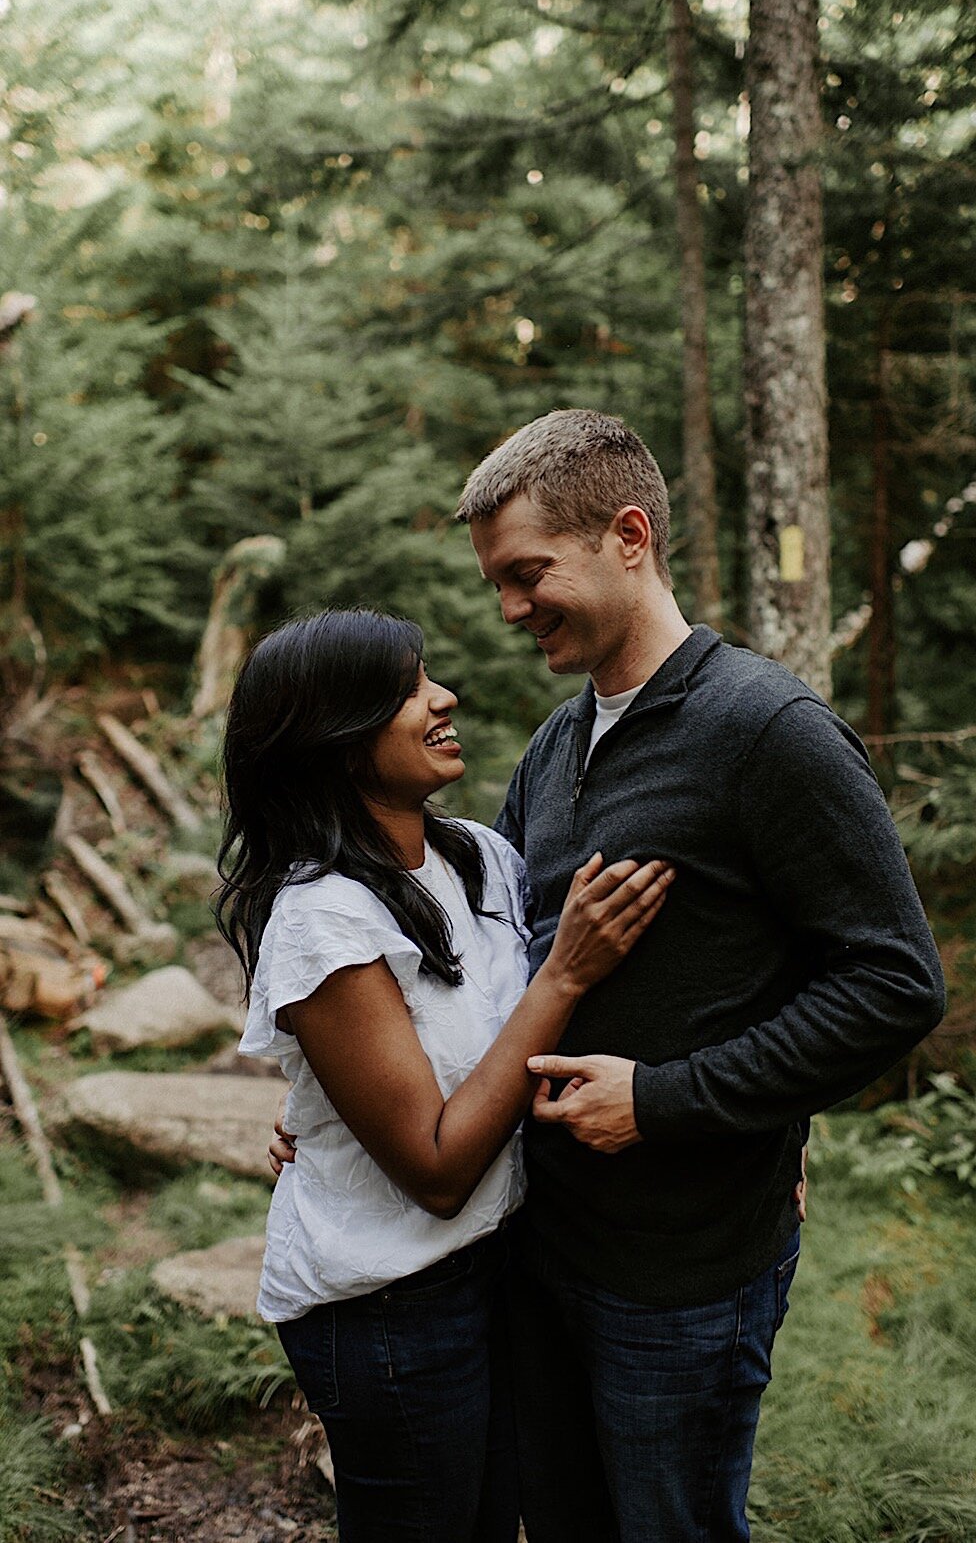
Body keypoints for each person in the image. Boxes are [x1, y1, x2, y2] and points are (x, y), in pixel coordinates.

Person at [450, 408, 947, 1543]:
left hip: (683, 1275)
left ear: (628, 535)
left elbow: (892, 982)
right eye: (496, 582)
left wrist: (666, 1099)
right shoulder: (554, 746)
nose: (509, 608)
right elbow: (493, 959)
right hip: (543, 1242)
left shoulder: (766, 729)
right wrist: (335, 1110)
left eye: (526, 573)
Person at [217, 606, 673, 1543]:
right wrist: (566, 973)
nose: (443, 696)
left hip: (490, 1273)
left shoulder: (477, 857)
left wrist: (767, 1130)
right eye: (405, 690)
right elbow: (433, 1169)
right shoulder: (321, 919)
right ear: (337, 743)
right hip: (388, 1310)